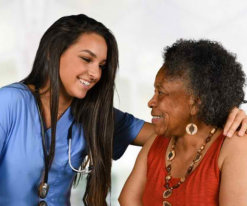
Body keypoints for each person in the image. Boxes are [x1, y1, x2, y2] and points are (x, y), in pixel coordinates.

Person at [0, 15, 246, 206]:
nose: (95, 74)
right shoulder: (9, 103)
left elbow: (181, 134)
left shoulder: (95, 114)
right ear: (54, 53)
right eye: (86, 59)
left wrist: (227, 115)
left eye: (102, 66)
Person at [119, 39, 247, 206]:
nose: (151, 101)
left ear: (195, 103)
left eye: (161, 92)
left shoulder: (235, 145)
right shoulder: (157, 141)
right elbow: (127, 200)